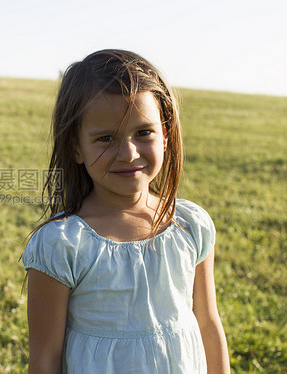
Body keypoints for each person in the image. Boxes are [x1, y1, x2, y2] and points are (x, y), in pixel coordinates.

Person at [21, 49, 230, 373]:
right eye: (105, 138)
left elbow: (208, 324)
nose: (128, 153)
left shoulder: (190, 226)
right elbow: (45, 358)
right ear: (76, 147)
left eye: (143, 132)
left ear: (165, 136)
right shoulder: (62, 245)